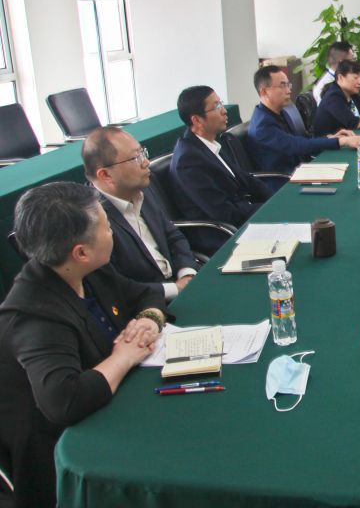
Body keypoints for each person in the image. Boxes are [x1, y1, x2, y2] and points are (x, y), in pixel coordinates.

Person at [0, 182, 166, 508]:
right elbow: (64, 401)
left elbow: (145, 294)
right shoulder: (35, 315)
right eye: (107, 227)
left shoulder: (87, 270)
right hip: (65, 459)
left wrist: (149, 319)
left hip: (112, 406)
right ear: (81, 251)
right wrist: (124, 356)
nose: (112, 231)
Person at [82, 127, 197, 303]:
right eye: (135, 158)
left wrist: (186, 273)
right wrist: (176, 289)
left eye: (143, 153)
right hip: (146, 306)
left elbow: (172, 235)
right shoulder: (91, 220)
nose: (145, 162)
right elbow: (115, 287)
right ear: (105, 174)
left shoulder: (141, 188)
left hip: (181, 283)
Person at [170, 85, 273, 254]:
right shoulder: (188, 160)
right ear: (197, 120)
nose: (224, 111)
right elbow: (223, 212)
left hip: (241, 218)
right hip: (222, 234)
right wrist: (267, 208)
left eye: (221, 103)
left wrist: (274, 199)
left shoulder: (209, 143)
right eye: (216, 106)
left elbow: (245, 179)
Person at [248, 65, 360, 190]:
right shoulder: (262, 125)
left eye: (288, 85)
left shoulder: (279, 112)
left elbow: (302, 138)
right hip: (284, 183)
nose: (288, 90)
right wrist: (341, 141)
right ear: (264, 92)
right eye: (282, 86)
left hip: (300, 171)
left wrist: (331, 137)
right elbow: (297, 145)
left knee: (349, 173)